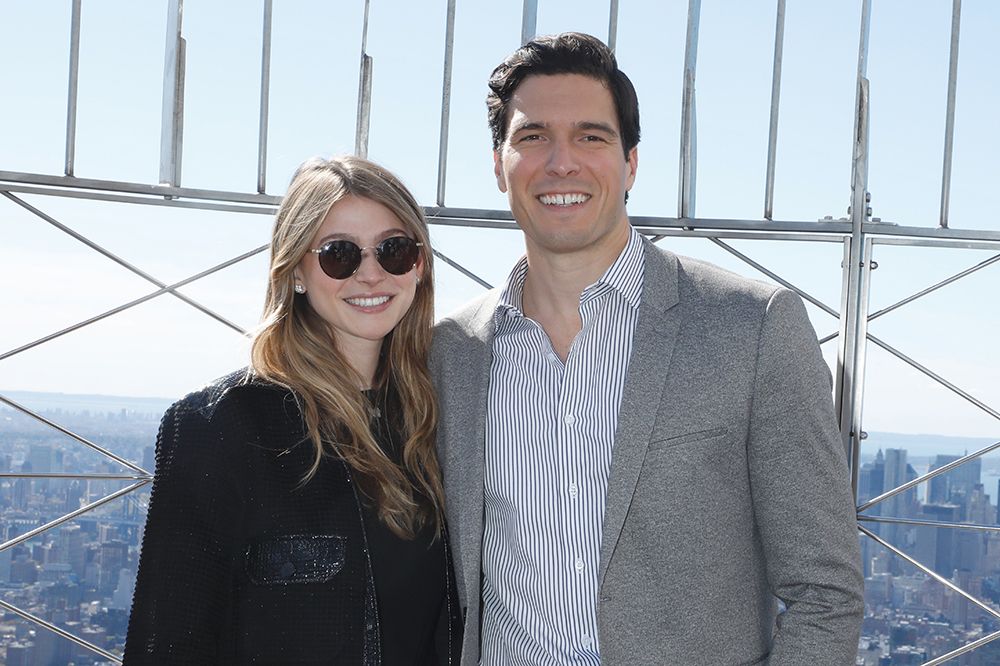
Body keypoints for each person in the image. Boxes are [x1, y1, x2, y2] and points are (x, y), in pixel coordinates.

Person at [431, 32, 864, 665]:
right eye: (532, 137)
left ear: (631, 162)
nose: (561, 163)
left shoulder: (753, 328)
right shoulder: (449, 353)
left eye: (591, 136)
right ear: (499, 165)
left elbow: (825, 594)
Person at [124, 156, 461, 665]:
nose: (370, 274)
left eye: (394, 250)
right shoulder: (223, 426)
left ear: (419, 266)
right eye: (339, 255)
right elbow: (169, 643)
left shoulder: (439, 417)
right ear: (296, 269)